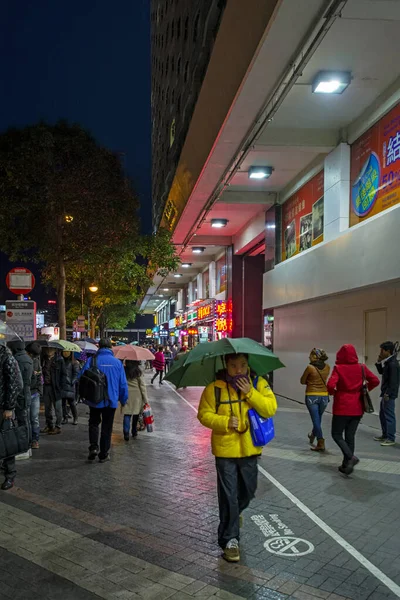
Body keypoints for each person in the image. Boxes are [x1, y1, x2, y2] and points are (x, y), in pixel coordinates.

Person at [197, 353, 277, 563]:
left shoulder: (259, 383)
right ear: (226, 365)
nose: (239, 370)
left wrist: (250, 393)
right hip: (225, 452)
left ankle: (233, 516)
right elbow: (203, 415)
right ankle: (230, 540)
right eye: (233, 366)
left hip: (251, 449)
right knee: (229, 495)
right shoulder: (214, 388)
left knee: (248, 492)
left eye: (242, 365)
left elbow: (271, 408)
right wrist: (224, 422)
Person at [327, 344, 379, 475]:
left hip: (342, 407)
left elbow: (330, 385)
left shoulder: (338, 368)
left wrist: (333, 393)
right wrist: (363, 390)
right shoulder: (362, 367)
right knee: (350, 436)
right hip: (357, 407)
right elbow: (375, 380)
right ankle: (346, 465)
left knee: (336, 434)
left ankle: (351, 458)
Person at [81, 338, 128, 462]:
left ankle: (93, 447)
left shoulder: (92, 360)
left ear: (99, 347)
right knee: (107, 427)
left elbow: (81, 377)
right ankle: (104, 453)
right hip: (111, 401)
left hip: (94, 399)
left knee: (94, 423)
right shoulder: (117, 363)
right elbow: (123, 384)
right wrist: (123, 400)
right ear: (110, 348)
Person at [0, 341, 23, 490]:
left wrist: (9, 407)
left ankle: (10, 475)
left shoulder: (6, 357)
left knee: (6, 440)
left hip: (2, 408)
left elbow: (16, 384)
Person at [300, 348, 330, 452]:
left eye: (311, 355)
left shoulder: (310, 367)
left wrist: (309, 381)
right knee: (318, 418)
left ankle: (320, 441)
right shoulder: (328, 367)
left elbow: (302, 381)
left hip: (312, 395)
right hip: (324, 397)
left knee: (316, 419)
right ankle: (313, 434)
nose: (309, 357)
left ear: (315, 356)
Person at [7, 339, 33, 460]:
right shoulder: (28, 359)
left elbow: (16, 380)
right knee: (26, 420)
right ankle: (28, 445)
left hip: (20, 395)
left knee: (22, 421)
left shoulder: (16, 360)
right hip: (27, 393)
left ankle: (24, 448)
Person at [374, 341, 400, 446]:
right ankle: (385, 434)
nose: (380, 352)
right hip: (385, 392)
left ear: (387, 351)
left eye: (382, 350)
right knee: (383, 415)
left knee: (389, 415)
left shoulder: (393, 364)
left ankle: (391, 438)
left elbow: (393, 382)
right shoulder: (389, 362)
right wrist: (379, 362)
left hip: (388, 394)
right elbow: (382, 372)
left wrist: (388, 394)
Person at [41, 348, 66, 435]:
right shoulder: (43, 359)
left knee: (58, 408)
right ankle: (49, 425)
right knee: (47, 408)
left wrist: (61, 386)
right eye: (48, 350)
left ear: (54, 350)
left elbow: (64, 374)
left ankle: (58, 426)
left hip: (56, 387)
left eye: (50, 350)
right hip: (46, 386)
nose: (48, 351)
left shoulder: (59, 360)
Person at [122, 360, 148, 441]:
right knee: (136, 414)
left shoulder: (123, 370)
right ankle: (134, 431)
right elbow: (142, 386)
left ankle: (126, 433)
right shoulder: (138, 371)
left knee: (127, 413)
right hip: (137, 395)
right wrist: (146, 400)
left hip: (126, 394)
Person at [25, 342, 43, 449]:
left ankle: (35, 440)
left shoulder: (36, 362)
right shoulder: (23, 361)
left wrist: (39, 390)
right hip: (28, 392)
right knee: (27, 418)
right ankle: (27, 440)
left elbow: (40, 377)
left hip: (34, 393)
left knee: (34, 418)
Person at [61, 351, 80, 425]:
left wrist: (72, 381)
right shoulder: (61, 361)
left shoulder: (74, 362)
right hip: (62, 384)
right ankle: (65, 417)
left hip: (70, 385)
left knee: (71, 402)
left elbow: (76, 374)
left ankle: (75, 417)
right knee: (63, 403)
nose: (65, 353)